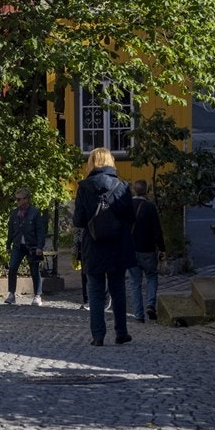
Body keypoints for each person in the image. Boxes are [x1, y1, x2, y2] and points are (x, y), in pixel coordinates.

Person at [72, 146, 135, 346]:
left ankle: (98, 336)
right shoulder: (122, 186)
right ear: (110, 162)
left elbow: (78, 220)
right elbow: (131, 216)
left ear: (91, 163)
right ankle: (121, 332)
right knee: (118, 289)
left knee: (95, 292)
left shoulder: (84, 187)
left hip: (94, 245)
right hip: (117, 245)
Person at [128, 179, 164, 322]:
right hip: (148, 249)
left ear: (134, 190)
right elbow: (157, 231)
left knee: (134, 282)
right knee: (152, 276)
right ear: (146, 191)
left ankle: (138, 314)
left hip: (131, 250)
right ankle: (150, 303)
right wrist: (162, 248)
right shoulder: (150, 207)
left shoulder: (127, 206)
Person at [5, 187, 47, 306]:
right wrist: (8, 245)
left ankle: (37, 295)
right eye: (16, 199)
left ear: (26, 199)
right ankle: (11, 294)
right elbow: (11, 230)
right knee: (12, 267)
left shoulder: (35, 213)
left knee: (34, 270)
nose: (17, 201)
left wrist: (39, 246)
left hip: (32, 246)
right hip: (18, 245)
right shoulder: (14, 213)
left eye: (19, 199)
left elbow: (40, 231)